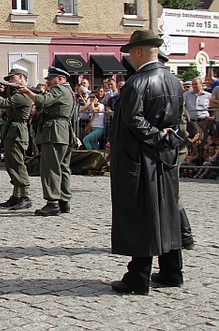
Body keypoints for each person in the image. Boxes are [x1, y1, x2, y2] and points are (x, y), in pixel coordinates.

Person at [108, 30, 184, 295]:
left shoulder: (138, 82)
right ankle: (172, 270)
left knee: (142, 213)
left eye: (130, 53)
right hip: (164, 156)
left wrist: (153, 136)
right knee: (167, 210)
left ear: (139, 51)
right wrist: (163, 138)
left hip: (139, 157)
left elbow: (134, 119)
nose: (130, 58)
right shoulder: (173, 80)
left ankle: (137, 277)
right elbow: (176, 120)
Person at [19, 67, 75, 216]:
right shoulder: (68, 91)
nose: (48, 81)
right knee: (62, 167)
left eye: (51, 78)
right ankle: (63, 200)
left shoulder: (59, 90)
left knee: (50, 167)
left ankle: (52, 202)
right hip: (63, 132)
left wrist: (28, 92)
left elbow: (43, 100)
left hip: (54, 131)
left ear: (61, 78)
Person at [0, 68, 33, 210]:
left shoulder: (23, 94)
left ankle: (25, 195)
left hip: (18, 132)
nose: (10, 82)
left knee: (17, 164)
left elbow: (2, 103)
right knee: (11, 164)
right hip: (11, 131)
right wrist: (0, 89)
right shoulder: (17, 93)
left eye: (12, 78)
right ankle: (16, 195)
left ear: (20, 77)